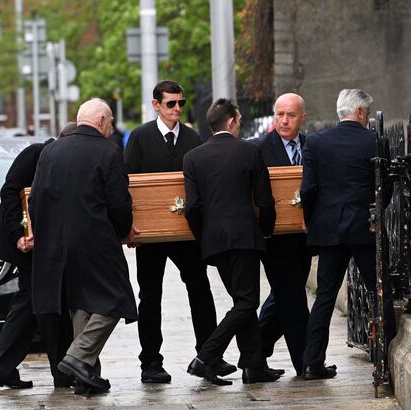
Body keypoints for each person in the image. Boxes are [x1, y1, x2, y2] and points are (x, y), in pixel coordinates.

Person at [30, 99, 138, 394]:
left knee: (81, 303)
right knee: (116, 298)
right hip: (96, 240)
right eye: (111, 120)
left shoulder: (51, 150)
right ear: (102, 120)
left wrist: (45, 234)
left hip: (57, 244)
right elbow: (119, 202)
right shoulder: (108, 151)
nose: (112, 126)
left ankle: (85, 377)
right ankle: (78, 357)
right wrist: (124, 231)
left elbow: (35, 198)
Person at [124, 80, 221, 383]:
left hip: (186, 232)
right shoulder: (139, 138)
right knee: (150, 296)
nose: (177, 108)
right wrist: (130, 226)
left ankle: (208, 356)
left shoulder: (193, 137)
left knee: (201, 290)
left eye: (180, 103)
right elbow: (127, 184)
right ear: (156, 105)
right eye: (170, 104)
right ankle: (150, 362)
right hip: (151, 235)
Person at [183, 98, 281, 386]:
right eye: (238, 121)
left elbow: (192, 208)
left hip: (214, 241)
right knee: (247, 302)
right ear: (231, 121)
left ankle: (254, 366)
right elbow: (264, 200)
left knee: (242, 301)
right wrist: (266, 231)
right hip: (244, 237)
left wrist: (203, 237)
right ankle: (206, 356)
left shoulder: (192, 157)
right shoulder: (250, 151)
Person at [300, 88, 397, 380]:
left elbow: (308, 190)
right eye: (366, 114)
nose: (367, 120)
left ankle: (312, 362)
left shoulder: (316, 142)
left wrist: (311, 220)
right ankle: (386, 360)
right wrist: (376, 211)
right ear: (359, 112)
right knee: (379, 291)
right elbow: (386, 187)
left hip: (330, 228)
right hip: (366, 226)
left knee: (325, 296)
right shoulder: (376, 141)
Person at [0, 121, 78, 389]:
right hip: (27, 246)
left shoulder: (63, 161)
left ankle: (3, 370)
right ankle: (59, 371)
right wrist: (19, 236)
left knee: (31, 307)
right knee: (46, 307)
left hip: (48, 246)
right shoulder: (35, 154)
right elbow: (10, 193)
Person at [255, 93, 312, 376]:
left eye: (290, 115)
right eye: (279, 114)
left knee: (284, 296)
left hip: (304, 235)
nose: (284, 120)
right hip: (275, 238)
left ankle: (254, 355)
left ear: (303, 118)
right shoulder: (259, 149)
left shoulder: (312, 145)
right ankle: (307, 362)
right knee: (293, 299)